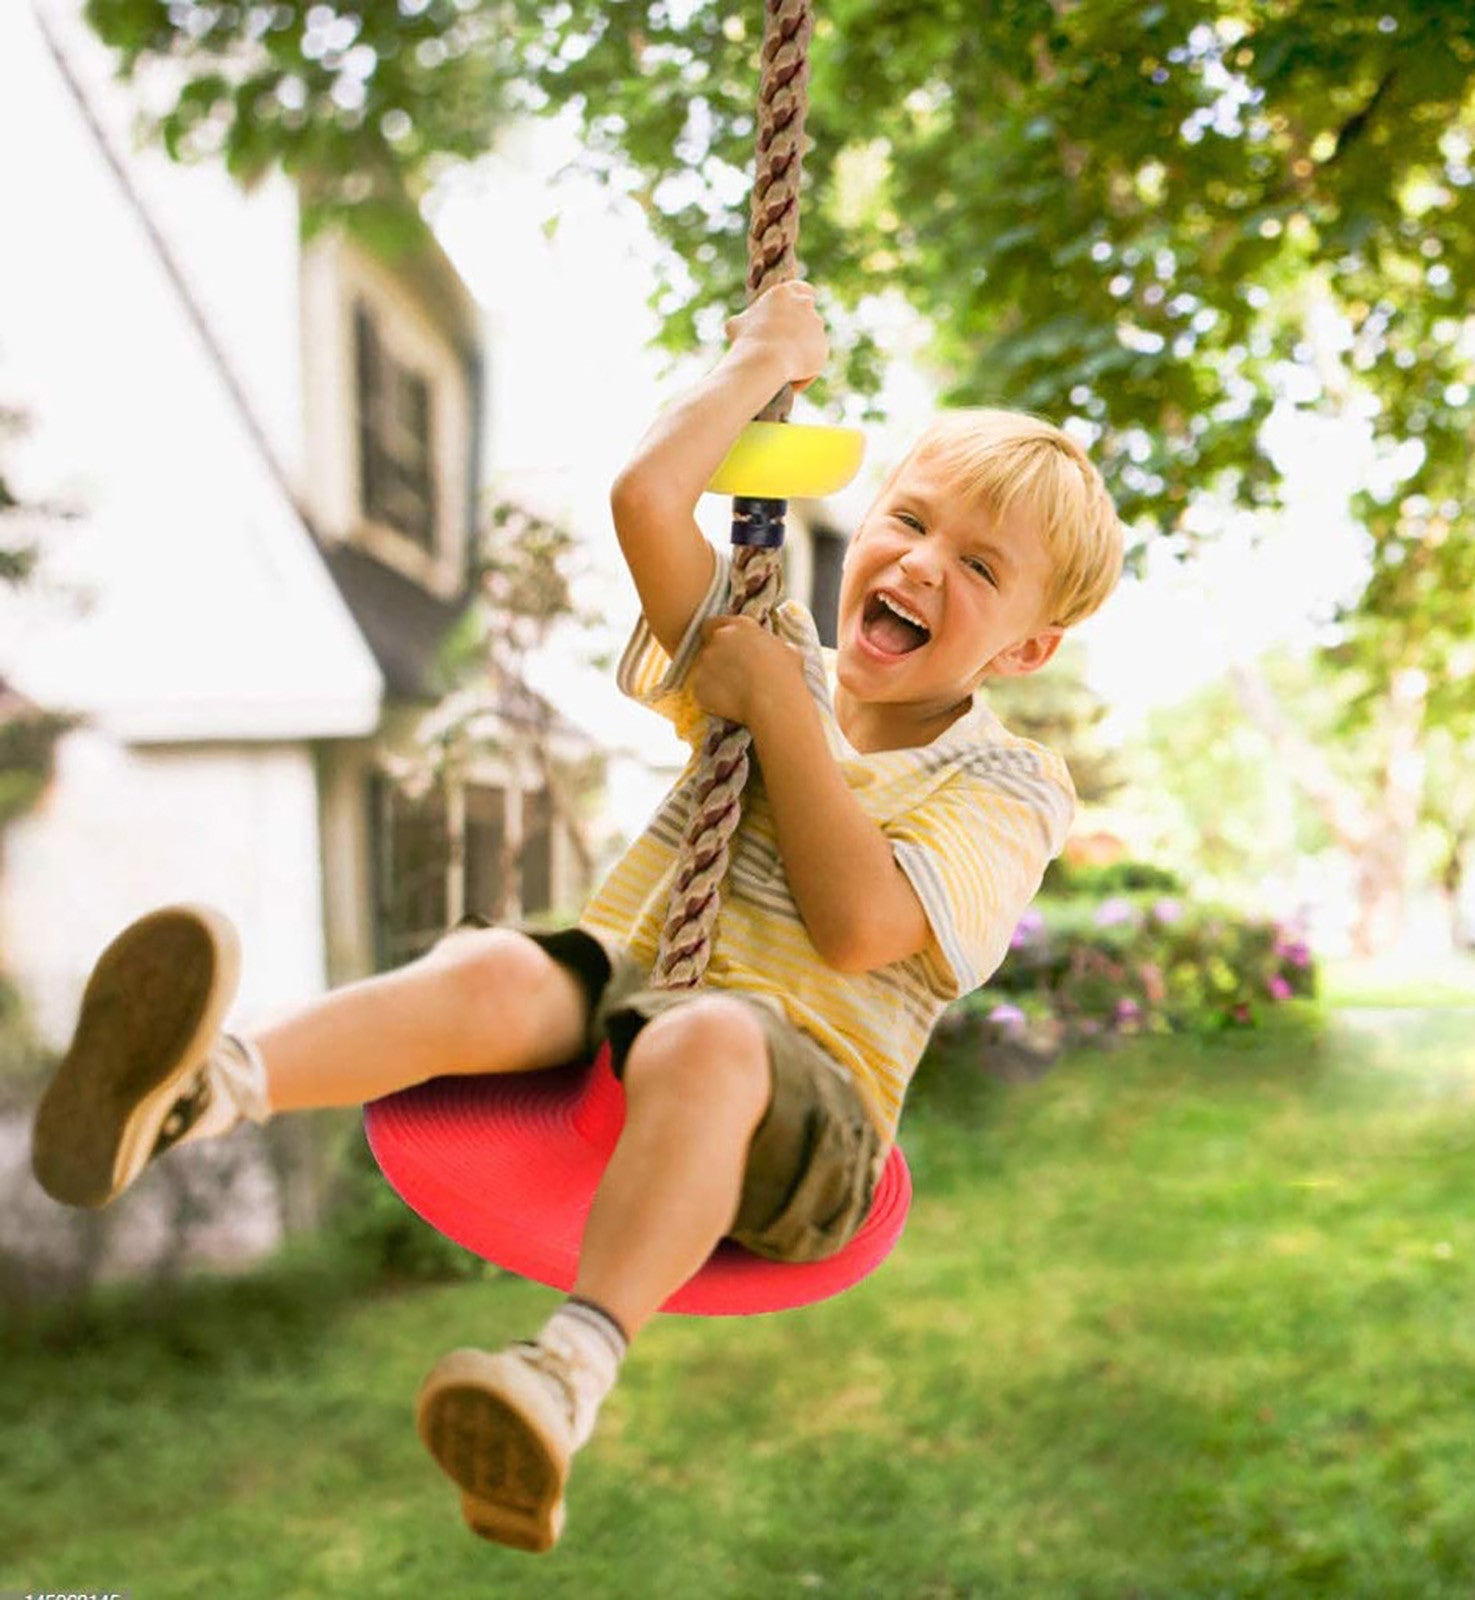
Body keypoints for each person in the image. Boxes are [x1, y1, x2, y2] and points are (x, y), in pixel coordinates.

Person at [30, 279, 1124, 1554]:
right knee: (498, 967)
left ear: (1023, 652)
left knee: (708, 1039)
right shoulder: (766, 644)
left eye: (979, 567)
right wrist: (753, 368)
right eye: (911, 520)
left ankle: (563, 1378)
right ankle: (198, 1090)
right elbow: (646, 503)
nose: (922, 564)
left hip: (807, 1115)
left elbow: (861, 927)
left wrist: (776, 711)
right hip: (630, 998)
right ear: (868, 520)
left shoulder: (1006, 782)